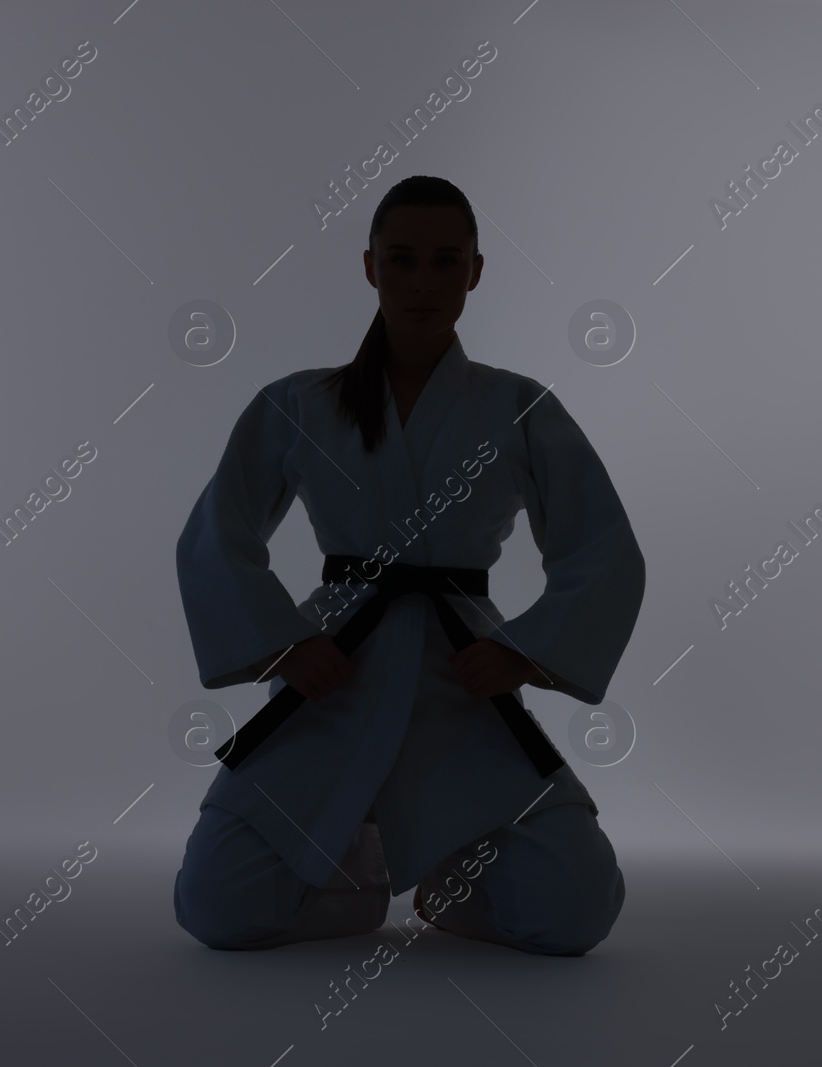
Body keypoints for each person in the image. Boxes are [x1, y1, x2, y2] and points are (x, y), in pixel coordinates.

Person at [172, 175, 645, 956]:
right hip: (336, 672)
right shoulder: (299, 402)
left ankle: (448, 880)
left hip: (460, 676)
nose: (423, 281)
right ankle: (354, 875)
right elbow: (216, 530)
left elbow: (603, 544)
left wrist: (524, 652)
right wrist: (284, 642)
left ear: (476, 270)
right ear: (370, 267)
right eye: (402, 260)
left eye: (445, 260)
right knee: (217, 905)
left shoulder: (519, 408)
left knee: (575, 909)